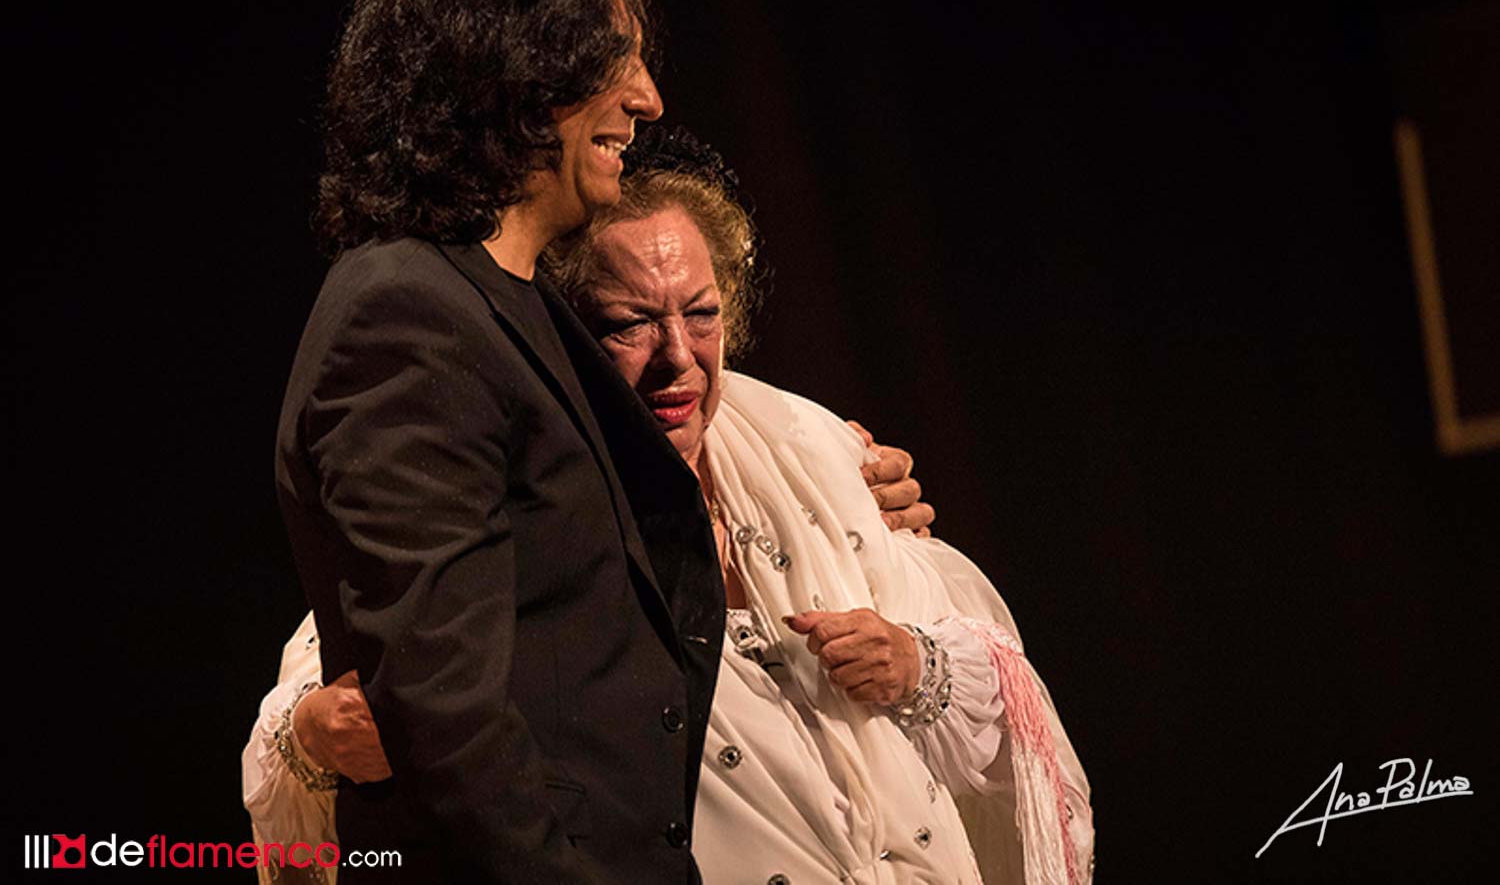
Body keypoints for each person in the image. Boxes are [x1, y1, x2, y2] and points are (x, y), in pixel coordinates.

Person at [253, 128, 1094, 883]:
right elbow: (365, 650)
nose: (678, 359)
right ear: (567, 338)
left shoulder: (812, 455)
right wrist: (313, 733)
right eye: (630, 324)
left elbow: (1002, 694)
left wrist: (916, 664)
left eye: (701, 315)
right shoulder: (525, 493)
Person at [275, 0, 714, 882]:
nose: (646, 98)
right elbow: (448, 729)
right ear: (514, 66)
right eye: (617, 58)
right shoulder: (407, 317)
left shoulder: (506, 304)